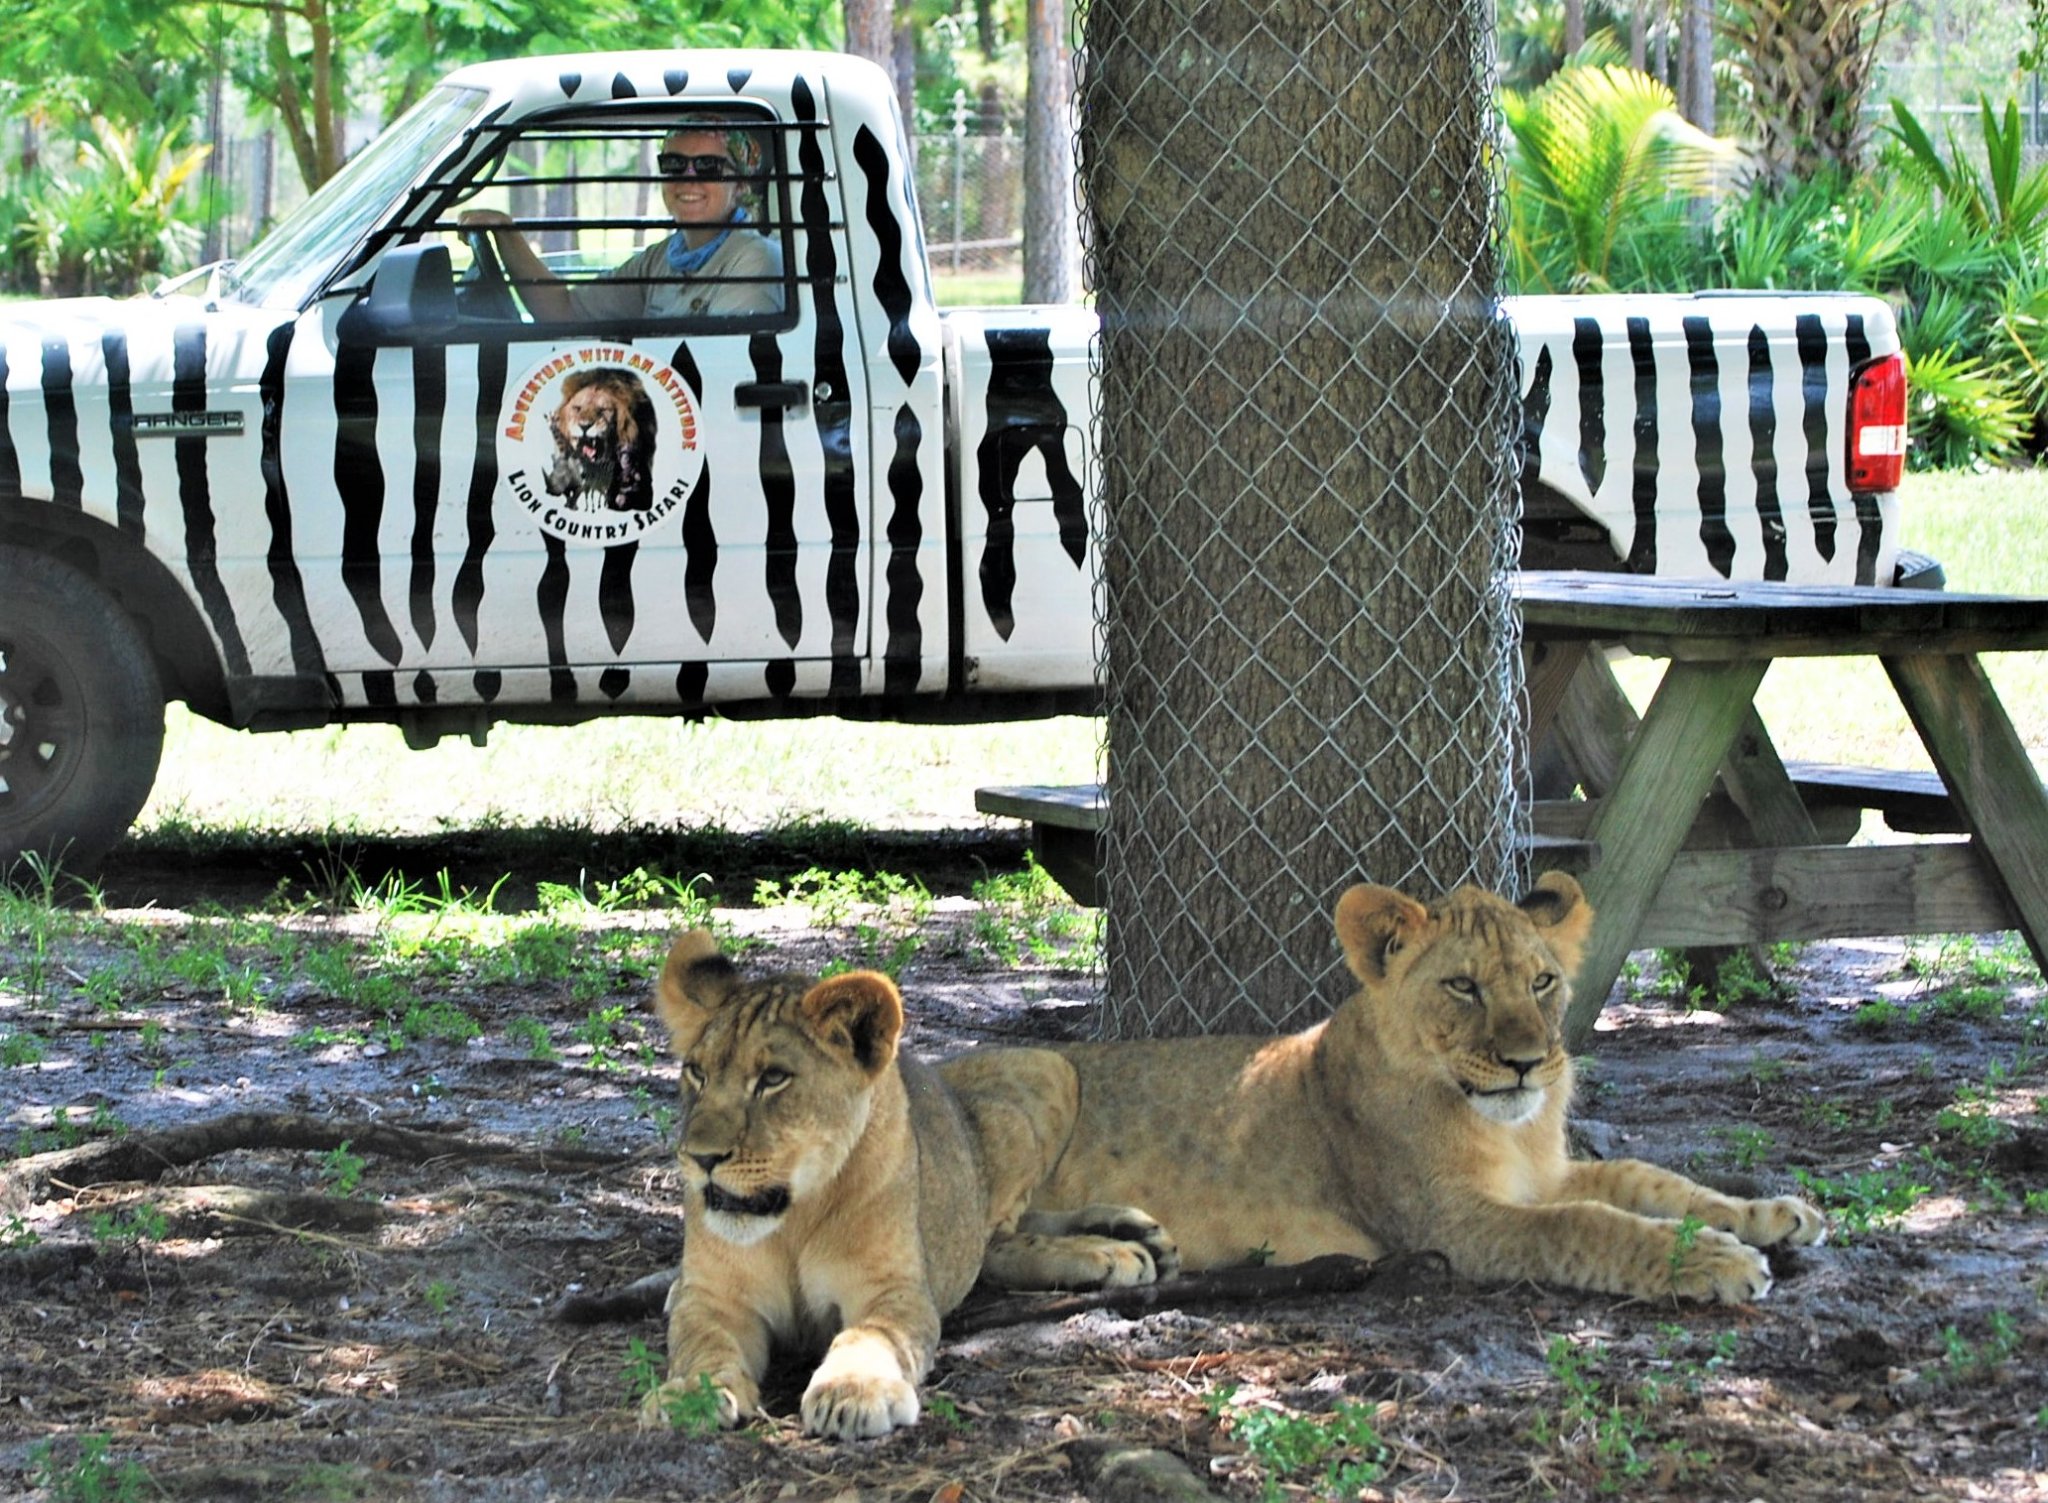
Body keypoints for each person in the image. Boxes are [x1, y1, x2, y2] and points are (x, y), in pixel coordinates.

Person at [460, 126, 783, 321]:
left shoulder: (754, 258)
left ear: (740, 183)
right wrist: (506, 232)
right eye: (673, 164)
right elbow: (565, 310)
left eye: (708, 166)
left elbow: (725, 361)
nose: (688, 178)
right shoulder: (662, 258)